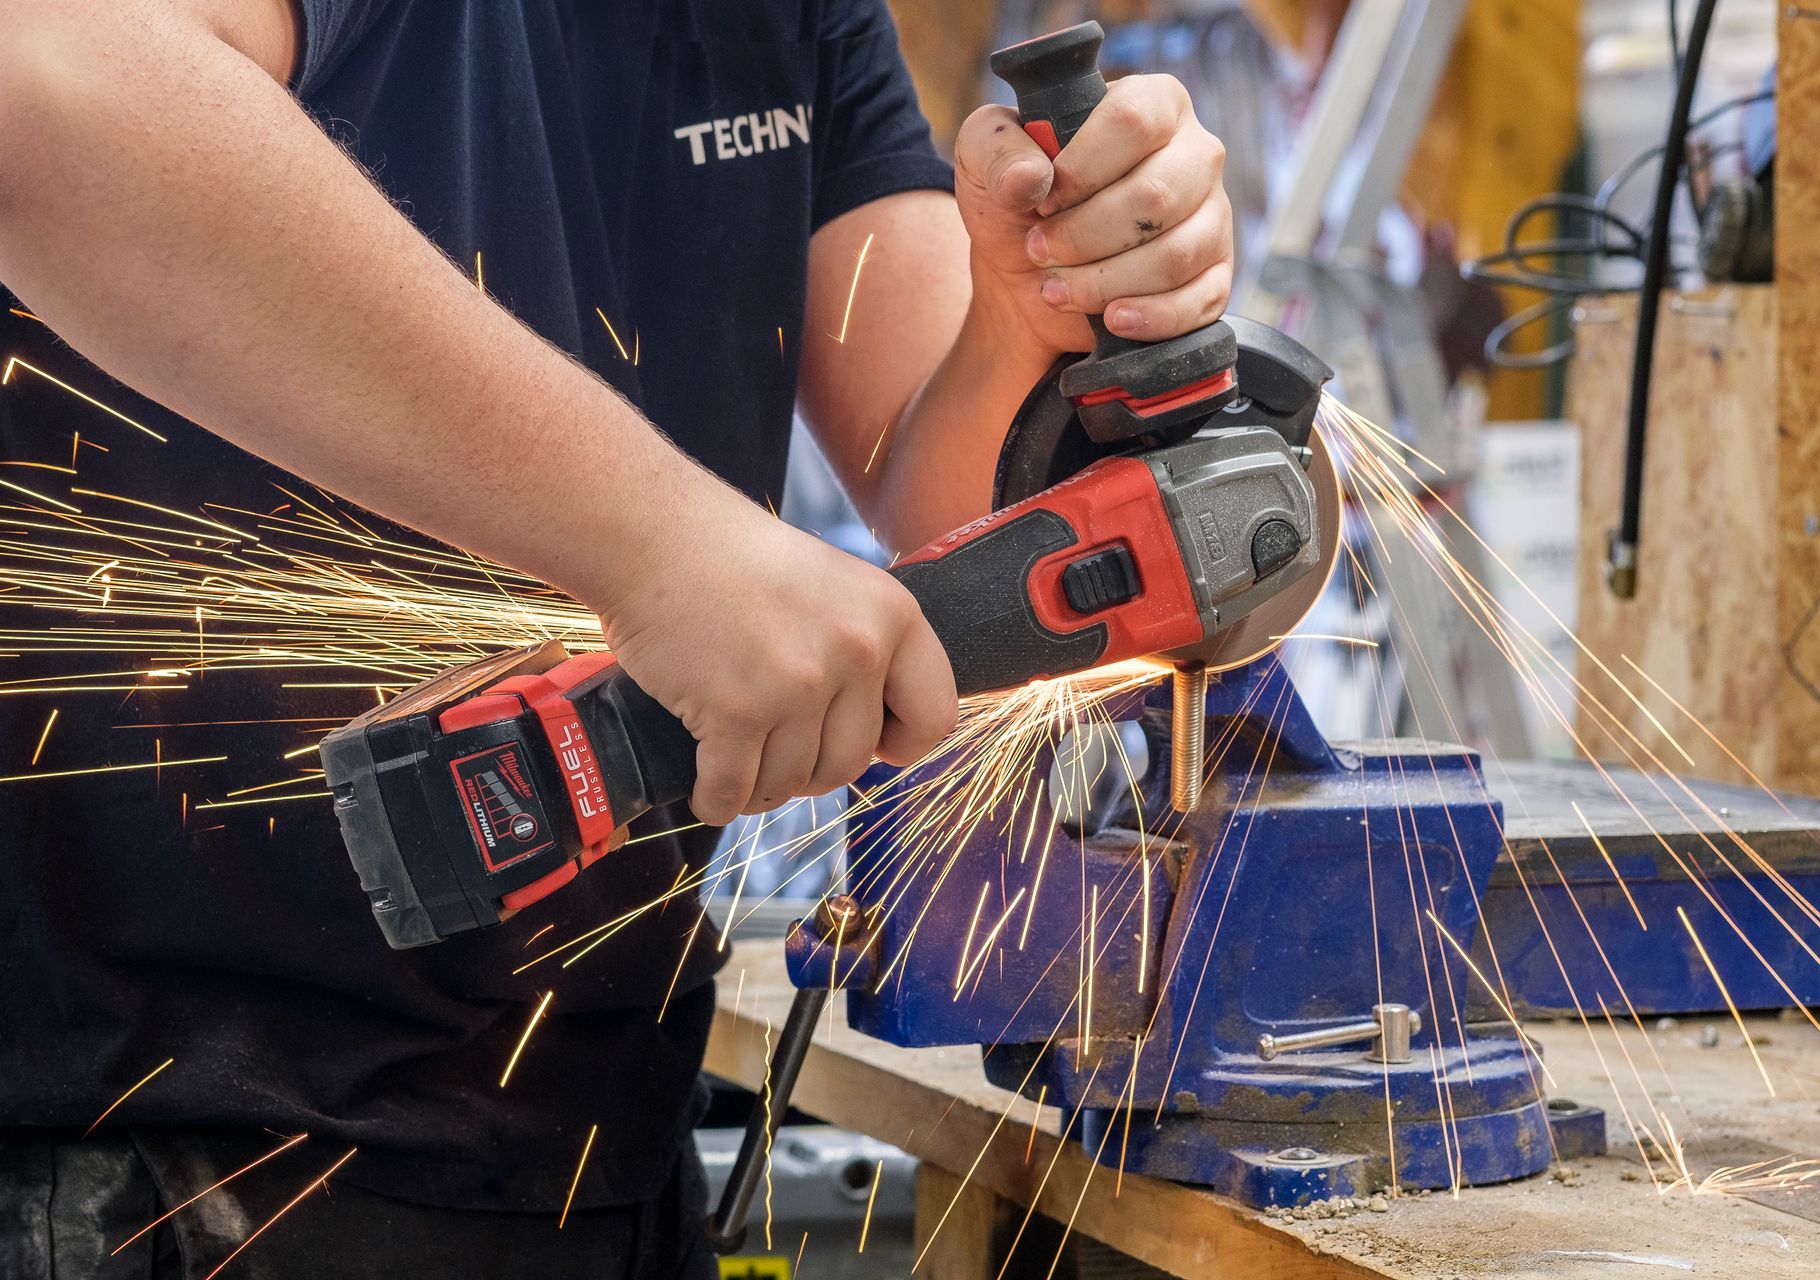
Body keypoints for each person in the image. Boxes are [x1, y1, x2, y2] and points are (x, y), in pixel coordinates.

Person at [0, 2, 1233, 1274]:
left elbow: (974, 522)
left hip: (596, 1136)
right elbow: (48, 87)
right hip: (178, 1164)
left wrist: (1034, 313)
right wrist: (659, 544)